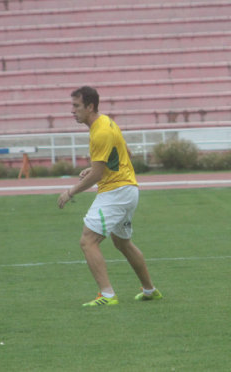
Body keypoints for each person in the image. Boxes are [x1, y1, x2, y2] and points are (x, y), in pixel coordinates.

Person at [57, 86, 162, 307]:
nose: (72, 111)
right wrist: (97, 168)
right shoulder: (106, 122)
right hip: (127, 189)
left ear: (90, 106)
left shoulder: (100, 131)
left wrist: (70, 192)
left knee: (88, 241)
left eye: (76, 106)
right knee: (123, 243)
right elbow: (125, 153)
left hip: (116, 192)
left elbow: (98, 173)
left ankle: (107, 295)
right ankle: (150, 290)